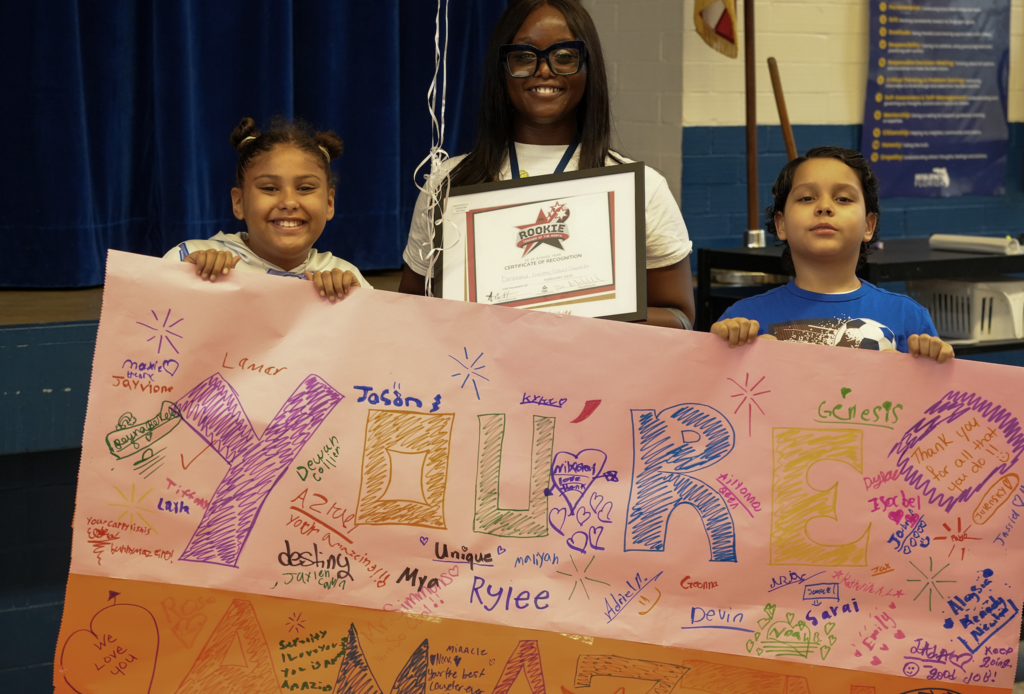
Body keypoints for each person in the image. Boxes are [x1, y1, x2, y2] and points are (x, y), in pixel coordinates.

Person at [398, 0, 694, 329]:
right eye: (524, 56)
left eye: (564, 56)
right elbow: (409, 310)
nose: (544, 70)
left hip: (592, 374)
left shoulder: (641, 188)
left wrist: (575, 313)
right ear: (501, 67)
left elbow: (681, 320)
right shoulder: (448, 182)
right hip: (479, 374)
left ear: (588, 66)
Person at [711, 146, 953, 363]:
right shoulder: (744, 319)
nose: (824, 207)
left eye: (843, 198)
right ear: (781, 224)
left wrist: (930, 366)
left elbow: (931, 406)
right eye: (807, 198)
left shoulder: (908, 317)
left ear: (868, 226)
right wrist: (722, 349)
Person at [163, 117, 370, 302]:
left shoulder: (347, 278)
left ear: (329, 204)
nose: (289, 202)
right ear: (239, 202)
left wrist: (356, 305)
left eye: (305, 188)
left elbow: (378, 340)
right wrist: (182, 280)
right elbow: (145, 329)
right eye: (269, 188)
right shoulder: (188, 259)